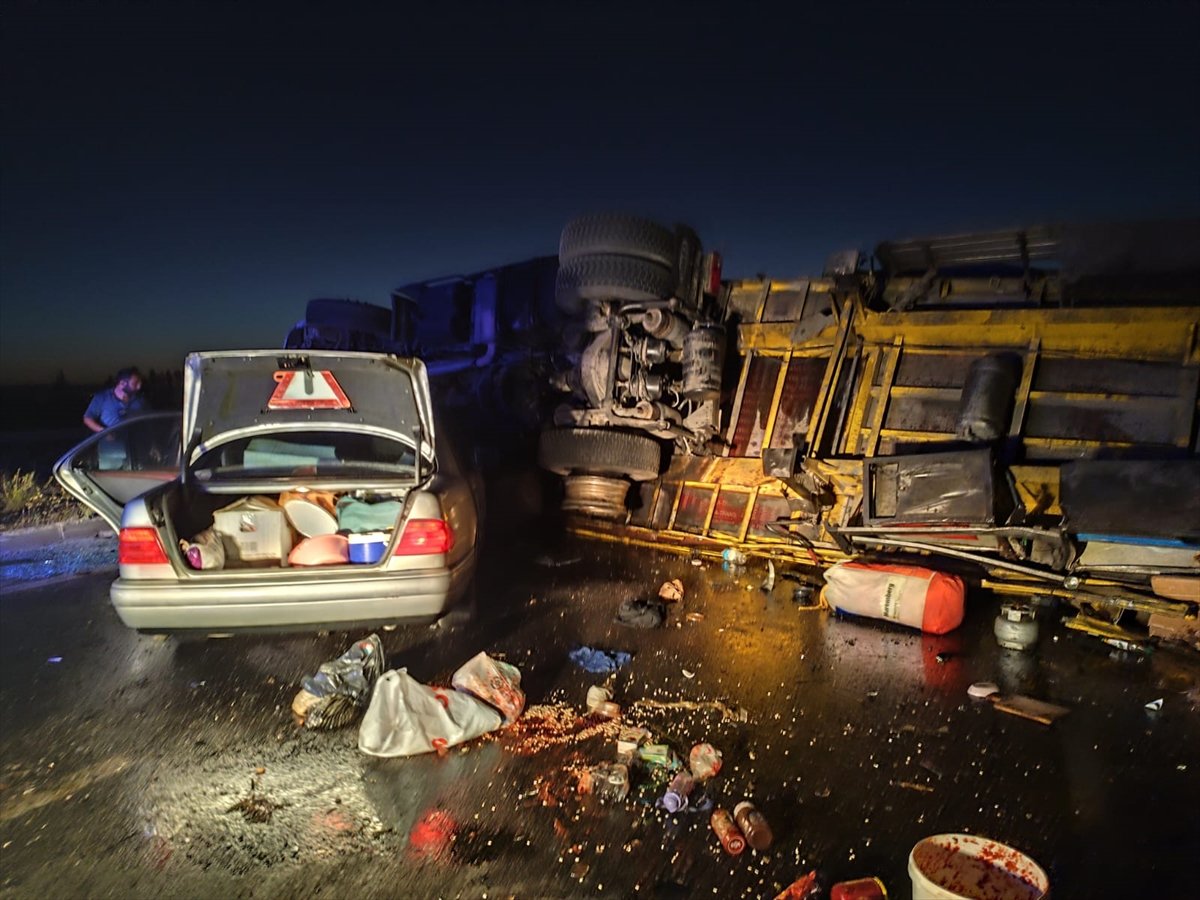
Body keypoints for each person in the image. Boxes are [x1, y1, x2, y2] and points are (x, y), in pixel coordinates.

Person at [83, 367, 147, 432]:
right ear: (122, 383)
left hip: (134, 440)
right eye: (135, 384)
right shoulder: (102, 397)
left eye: (140, 383)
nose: (139, 387)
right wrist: (104, 431)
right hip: (112, 441)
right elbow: (87, 418)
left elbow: (147, 420)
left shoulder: (140, 400)